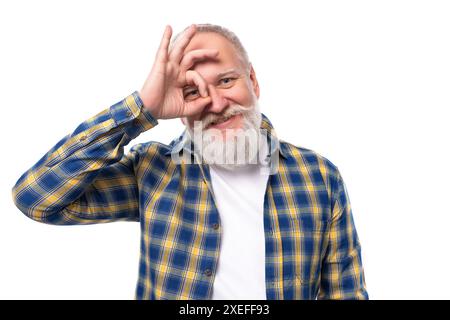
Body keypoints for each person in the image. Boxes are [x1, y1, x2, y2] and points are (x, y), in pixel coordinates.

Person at [11, 23, 368, 300]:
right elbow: (35, 199)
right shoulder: (154, 170)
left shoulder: (319, 177)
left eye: (226, 80)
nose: (214, 103)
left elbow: (346, 292)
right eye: (192, 92)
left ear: (253, 81)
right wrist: (142, 109)